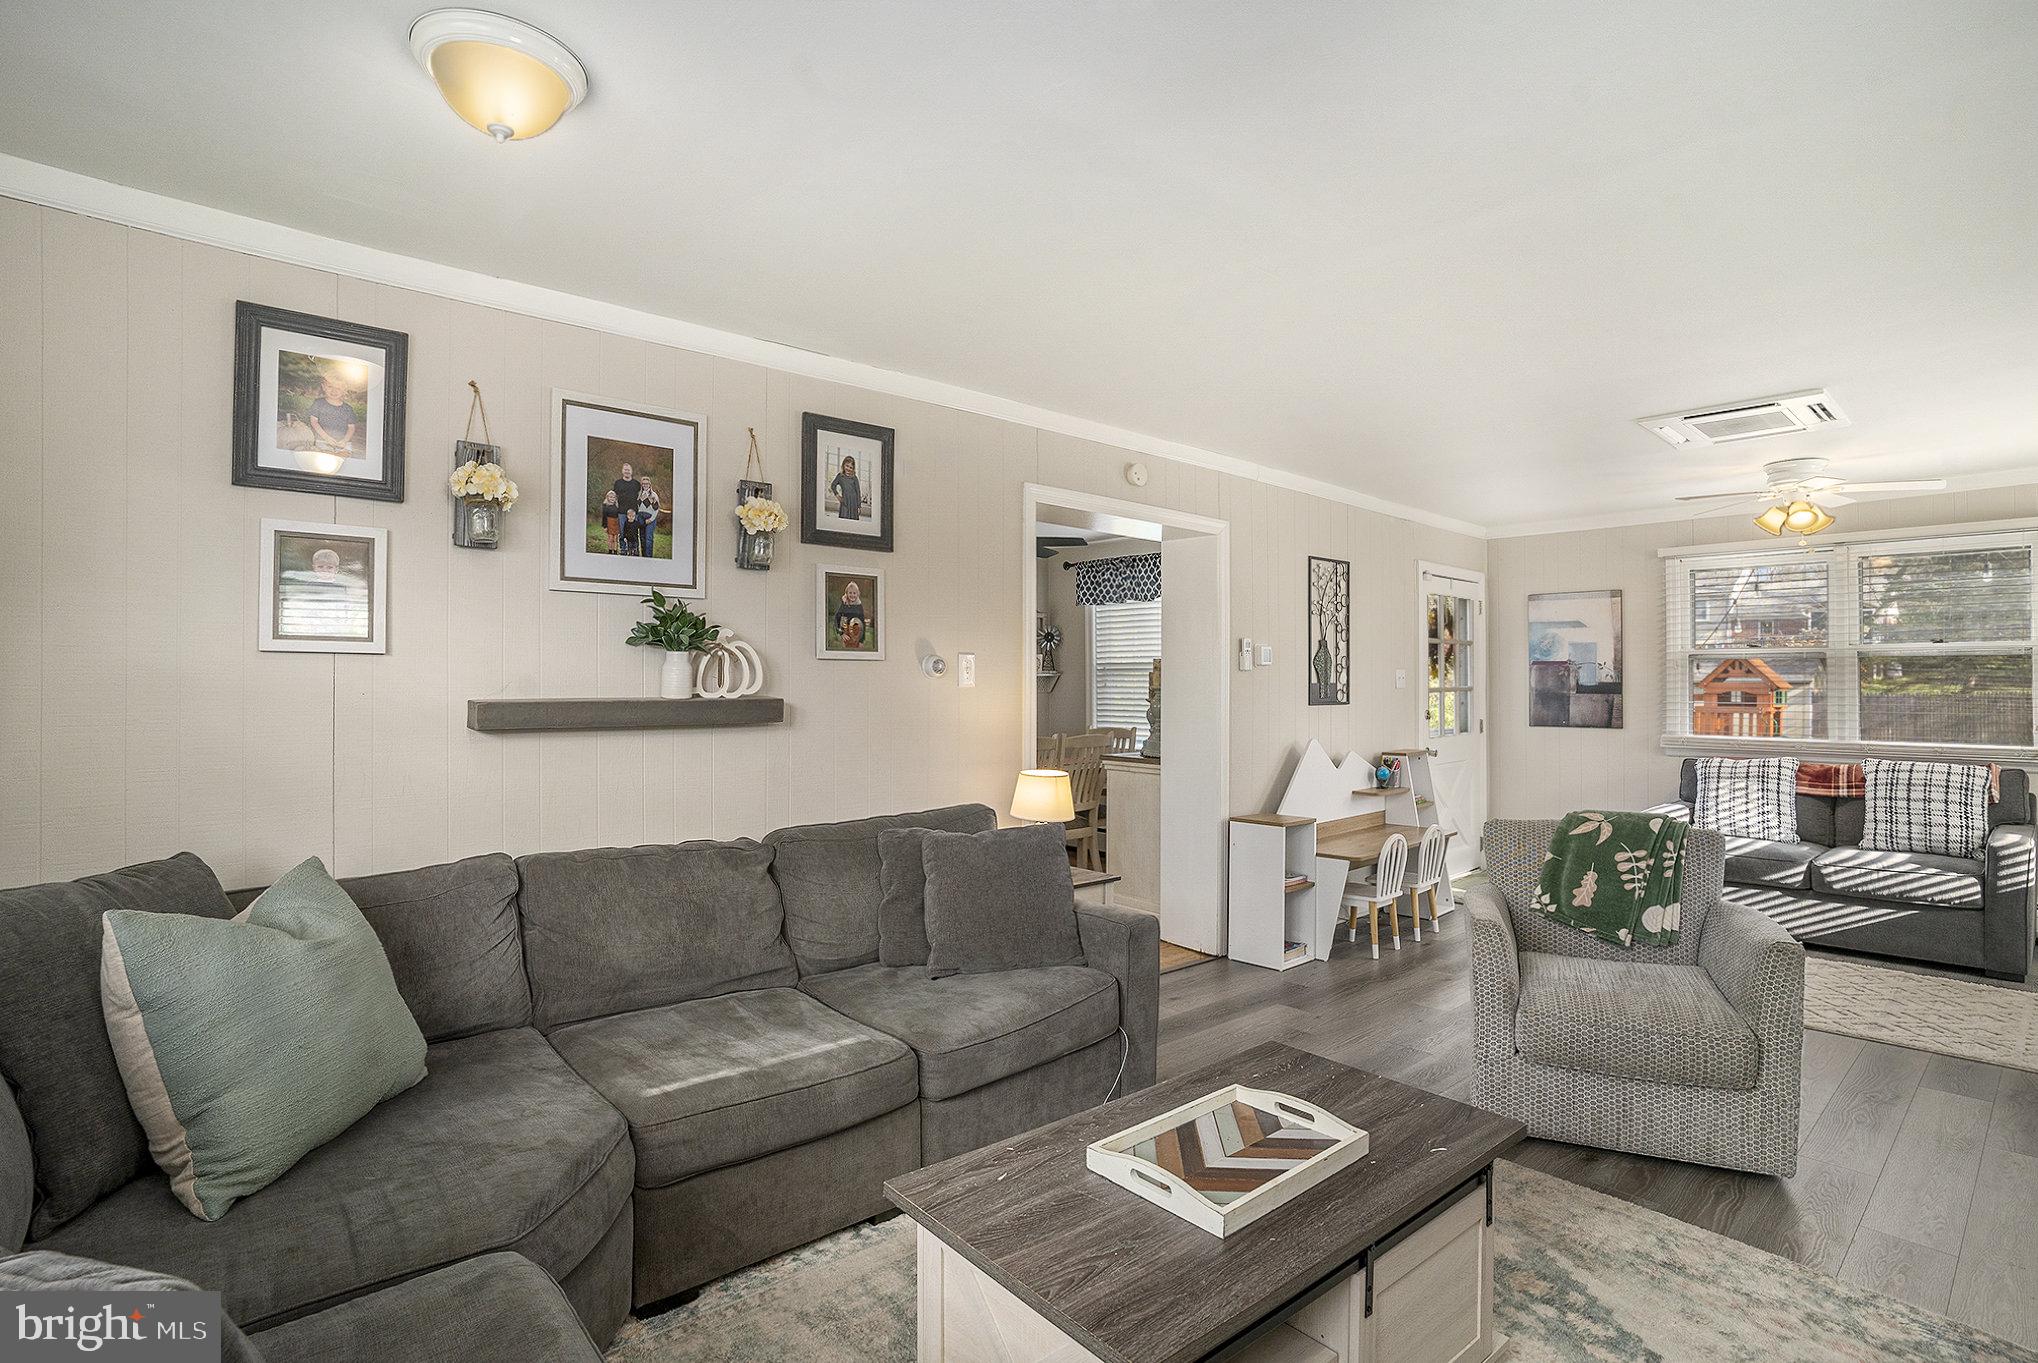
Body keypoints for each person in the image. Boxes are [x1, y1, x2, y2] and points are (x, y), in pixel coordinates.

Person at [307, 370, 358, 453]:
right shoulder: (318, 403)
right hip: (323, 440)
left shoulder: (348, 409)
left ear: (344, 389)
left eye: (338, 388)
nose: (334, 391)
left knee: (344, 458)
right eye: (330, 386)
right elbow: (314, 422)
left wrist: (345, 441)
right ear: (323, 386)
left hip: (343, 442)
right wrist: (326, 438)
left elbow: (351, 428)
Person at [612, 463, 642, 556]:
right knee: (622, 532)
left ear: (631, 471)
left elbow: (640, 495)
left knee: (634, 532)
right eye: (625, 470)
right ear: (622, 471)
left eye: (628, 470)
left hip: (634, 511)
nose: (627, 471)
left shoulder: (636, 484)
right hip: (621, 511)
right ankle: (623, 549)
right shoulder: (618, 483)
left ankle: (634, 549)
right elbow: (614, 496)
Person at [833, 579, 867, 649]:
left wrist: (861, 640)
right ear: (847, 593)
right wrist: (841, 633)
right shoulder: (844, 604)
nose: (852, 595)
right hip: (846, 632)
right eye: (850, 593)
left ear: (857, 594)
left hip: (857, 632)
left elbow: (863, 622)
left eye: (854, 593)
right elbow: (837, 618)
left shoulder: (859, 606)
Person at [829, 455, 863, 523]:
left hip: (854, 503)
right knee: (843, 519)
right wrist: (838, 496)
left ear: (853, 468)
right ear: (843, 465)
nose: (848, 468)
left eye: (851, 467)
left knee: (853, 521)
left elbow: (858, 492)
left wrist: (859, 506)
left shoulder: (854, 478)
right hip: (845, 501)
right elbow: (833, 486)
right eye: (847, 466)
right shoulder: (840, 476)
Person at [637, 481, 662, 558]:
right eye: (643, 484)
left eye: (647, 484)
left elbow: (656, 509)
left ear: (650, 485)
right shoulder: (639, 494)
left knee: (648, 538)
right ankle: (643, 556)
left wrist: (651, 519)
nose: (645, 485)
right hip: (640, 517)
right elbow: (637, 507)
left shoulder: (653, 495)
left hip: (650, 517)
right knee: (642, 537)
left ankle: (648, 557)